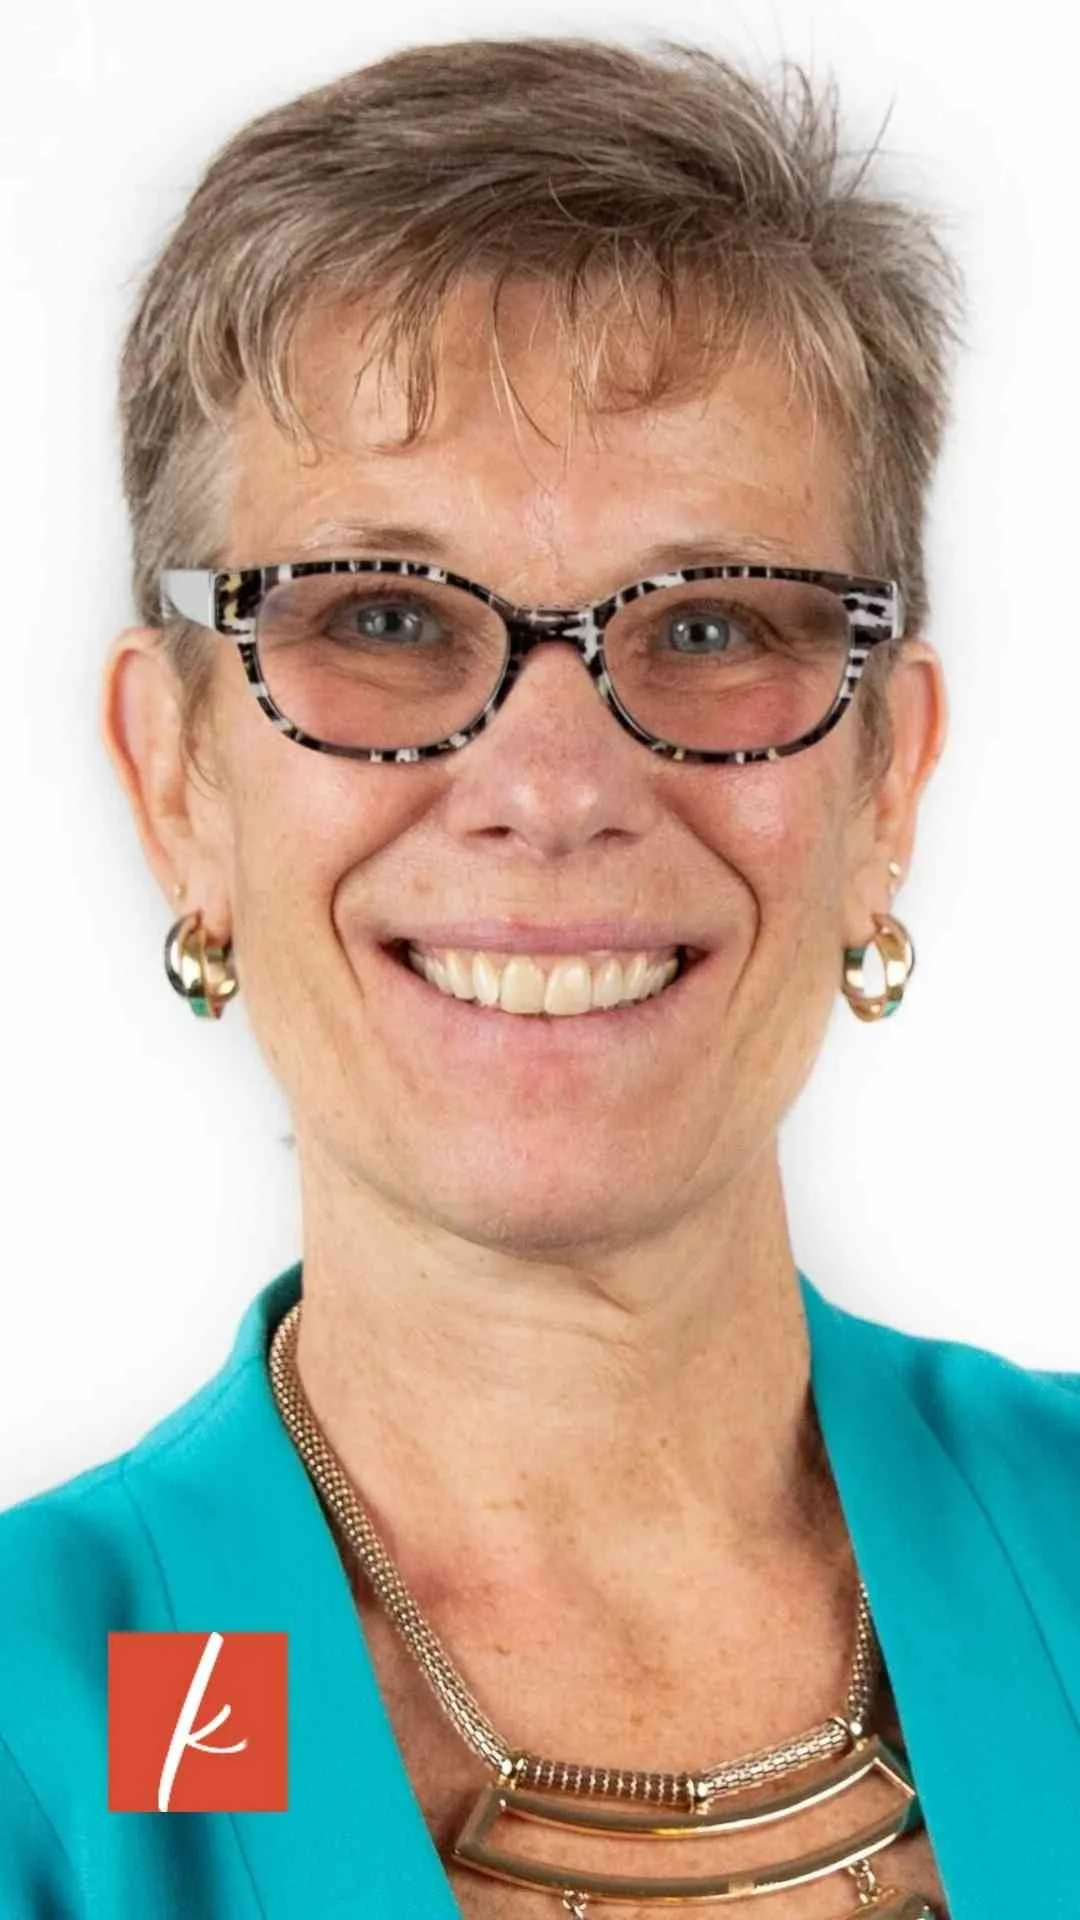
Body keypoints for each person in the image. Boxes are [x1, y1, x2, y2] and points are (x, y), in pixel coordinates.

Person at [1, 32, 1077, 1920]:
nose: (556, 789)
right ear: (178, 781)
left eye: (717, 620)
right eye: (385, 620)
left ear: (886, 777)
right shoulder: (51, 1726)